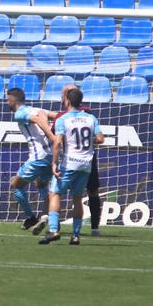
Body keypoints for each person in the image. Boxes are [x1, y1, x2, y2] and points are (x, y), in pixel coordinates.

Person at [40, 88, 104, 245]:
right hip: (86, 164)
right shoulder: (91, 118)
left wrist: (54, 163)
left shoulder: (64, 119)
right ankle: (76, 235)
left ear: (67, 100)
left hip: (70, 163)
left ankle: (54, 230)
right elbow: (101, 139)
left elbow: (58, 142)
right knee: (77, 198)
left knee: (54, 193)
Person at [6, 87, 54, 232]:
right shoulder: (35, 108)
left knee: (15, 185)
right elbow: (55, 115)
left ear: (13, 100)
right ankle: (46, 217)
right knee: (41, 184)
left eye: (7, 99)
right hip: (51, 156)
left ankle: (31, 217)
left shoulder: (20, 114)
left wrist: (52, 136)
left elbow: (37, 120)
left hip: (39, 157)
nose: (6, 102)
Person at [58, 84, 103, 237]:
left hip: (72, 160)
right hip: (86, 160)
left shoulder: (65, 117)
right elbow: (100, 138)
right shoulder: (89, 115)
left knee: (59, 192)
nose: (63, 95)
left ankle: (94, 227)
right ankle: (56, 224)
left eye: (66, 93)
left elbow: (56, 138)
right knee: (78, 195)